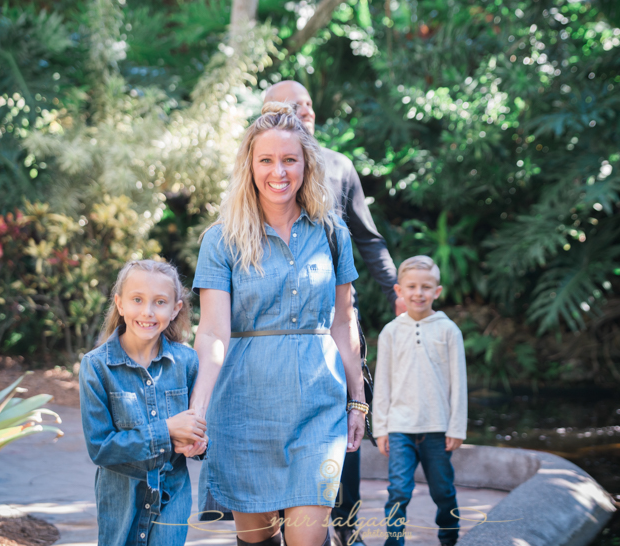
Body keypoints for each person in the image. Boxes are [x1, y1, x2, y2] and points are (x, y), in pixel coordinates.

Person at [187, 102, 367, 546]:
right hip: (244, 410)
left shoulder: (331, 231)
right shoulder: (221, 238)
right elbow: (211, 332)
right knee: (259, 540)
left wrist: (357, 400)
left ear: (307, 163)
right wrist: (198, 409)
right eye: (266, 159)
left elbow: (344, 320)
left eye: (289, 159)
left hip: (318, 409)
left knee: (309, 538)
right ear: (249, 165)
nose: (278, 172)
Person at [263, 80, 404, 546]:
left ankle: (347, 527)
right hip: (272, 321)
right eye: (289, 106)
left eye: (306, 104)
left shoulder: (339, 166)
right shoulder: (262, 167)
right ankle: (286, 523)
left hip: (335, 311)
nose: (302, 111)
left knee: (349, 412)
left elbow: (367, 237)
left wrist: (396, 290)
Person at [79, 260, 207, 546]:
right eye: (137, 299)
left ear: (175, 309)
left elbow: (203, 432)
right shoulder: (97, 367)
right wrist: (167, 430)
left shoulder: (187, 363)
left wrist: (198, 445)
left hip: (172, 497)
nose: (147, 312)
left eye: (160, 302)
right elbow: (100, 448)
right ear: (120, 303)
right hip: (120, 501)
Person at [371, 256, 468, 546]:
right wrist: (381, 429)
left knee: (443, 491)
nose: (418, 293)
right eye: (411, 286)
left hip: (438, 428)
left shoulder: (449, 330)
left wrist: (456, 428)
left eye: (426, 287)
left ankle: (449, 539)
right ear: (399, 291)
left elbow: (459, 385)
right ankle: (394, 541)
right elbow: (383, 384)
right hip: (400, 428)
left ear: (437, 292)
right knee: (398, 491)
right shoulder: (390, 332)